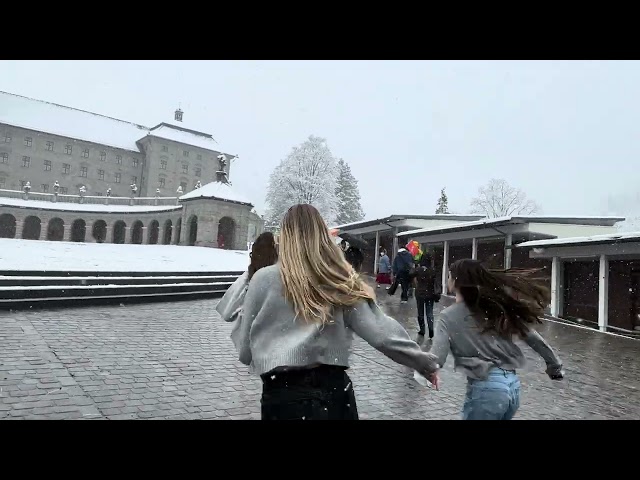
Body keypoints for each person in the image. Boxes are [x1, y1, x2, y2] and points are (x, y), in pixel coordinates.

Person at [237, 204, 440, 420]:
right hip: (332, 394)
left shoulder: (263, 279)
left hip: (281, 397)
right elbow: (381, 334)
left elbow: (245, 353)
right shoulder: (337, 278)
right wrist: (424, 362)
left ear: (285, 236)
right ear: (322, 236)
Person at [430, 259, 564, 420]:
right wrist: (554, 366)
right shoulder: (495, 308)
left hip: (486, 391)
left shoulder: (448, 316)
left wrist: (426, 370)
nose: (448, 280)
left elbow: (437, 357)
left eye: (449, 276)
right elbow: (534, 338)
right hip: (512, 387)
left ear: (456, 281)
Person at [216, 232, 278, 349]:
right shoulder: (279, 276)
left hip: (255, 341)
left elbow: (227, 313)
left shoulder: (251, 276)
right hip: (275, 342)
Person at [410, 254, 439, 337]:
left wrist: (415, 266)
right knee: (429, 313)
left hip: (420, 294)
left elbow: (410, 274)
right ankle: (431, 329)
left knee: (420, 313)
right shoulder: (432, 270)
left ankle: (422, 330)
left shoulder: (418, 270)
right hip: (430, 294)